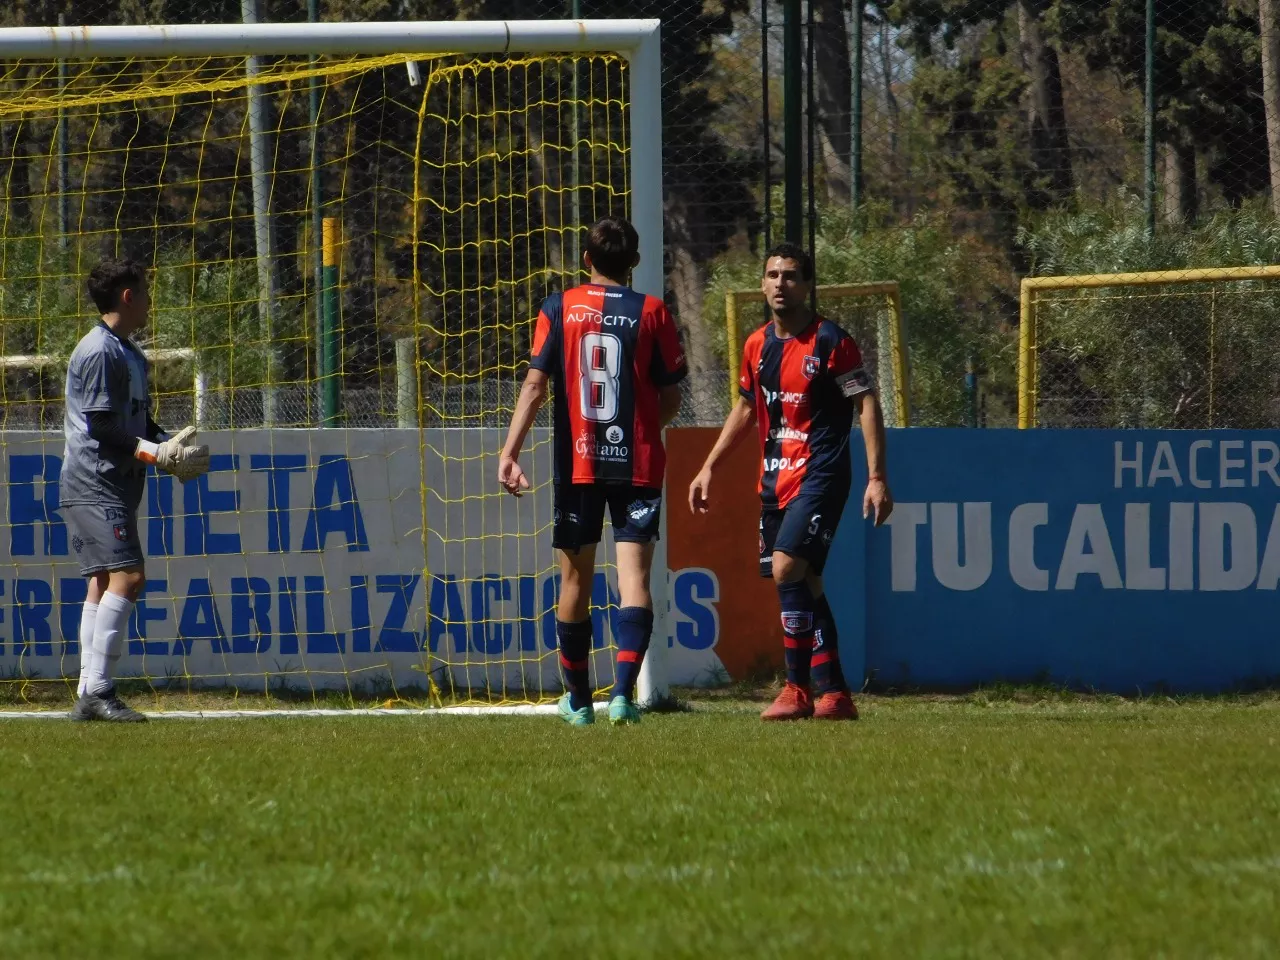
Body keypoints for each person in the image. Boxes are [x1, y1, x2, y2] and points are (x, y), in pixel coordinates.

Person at [688, 243, 894, 721]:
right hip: (775, 479)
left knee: (785, 569)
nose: (781, 283)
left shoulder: (830, 341)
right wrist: (709, 465)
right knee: (807, 581)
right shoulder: (756, 345)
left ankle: (796, 689)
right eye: (773, 275)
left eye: (791, 275)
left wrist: (877, 477)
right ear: (762, 285)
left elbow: (865, 402)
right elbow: (745, 407)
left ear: (807, 286)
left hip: (822, 474)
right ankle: (835, 694)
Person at [498, 217, 687, 726]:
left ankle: (580, 702)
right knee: (635, 579)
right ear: (635, 262)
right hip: (637, 463)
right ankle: (623, 697)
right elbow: (671, 396)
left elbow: (535, 386)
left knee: (574, 579)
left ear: (586, 259)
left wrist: (510, 452)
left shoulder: (558, 307)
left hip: (578, 463)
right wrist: (641, 428)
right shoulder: (653, 311)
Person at [61, 258, 210, 722]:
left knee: (103, 581)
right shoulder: (98, 351)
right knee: (129, 577)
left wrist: (168, 447)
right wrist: (152, 453)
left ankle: (87, 691)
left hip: (112, 482)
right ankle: (99, 690)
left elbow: (138, 421)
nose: (149, 301)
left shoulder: (129, 352)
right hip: (94, 481)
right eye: (144, 291)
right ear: (128, 297)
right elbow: (101, 425)